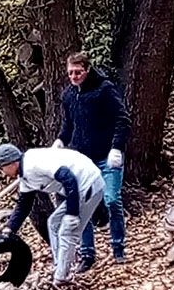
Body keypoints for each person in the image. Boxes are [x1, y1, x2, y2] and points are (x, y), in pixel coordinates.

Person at [55, 52, 131, 270]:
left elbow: (122, 119)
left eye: (78, 72)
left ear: (87, 70)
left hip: (107, 157)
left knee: (111, 200)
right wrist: (61, 140)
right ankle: (87, 253)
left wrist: (116, 148)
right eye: (70, 73)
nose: (74, 76)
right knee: (82, 205)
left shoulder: (104, 89)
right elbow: (68, 125)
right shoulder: (69, 95)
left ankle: (118, 248)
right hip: (82, 160)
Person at [0, 143, 105, 285]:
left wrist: (72, 213)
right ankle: (60, 266)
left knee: (67, 231)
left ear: (12, 163)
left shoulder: (33, 164)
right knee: (53, 223)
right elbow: (24, 205)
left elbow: (68, 177)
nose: (3, 173)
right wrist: (10, 229)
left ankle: (61, 278)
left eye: (2, 168)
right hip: (78, 188)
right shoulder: (25, 176)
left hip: (88, 183)